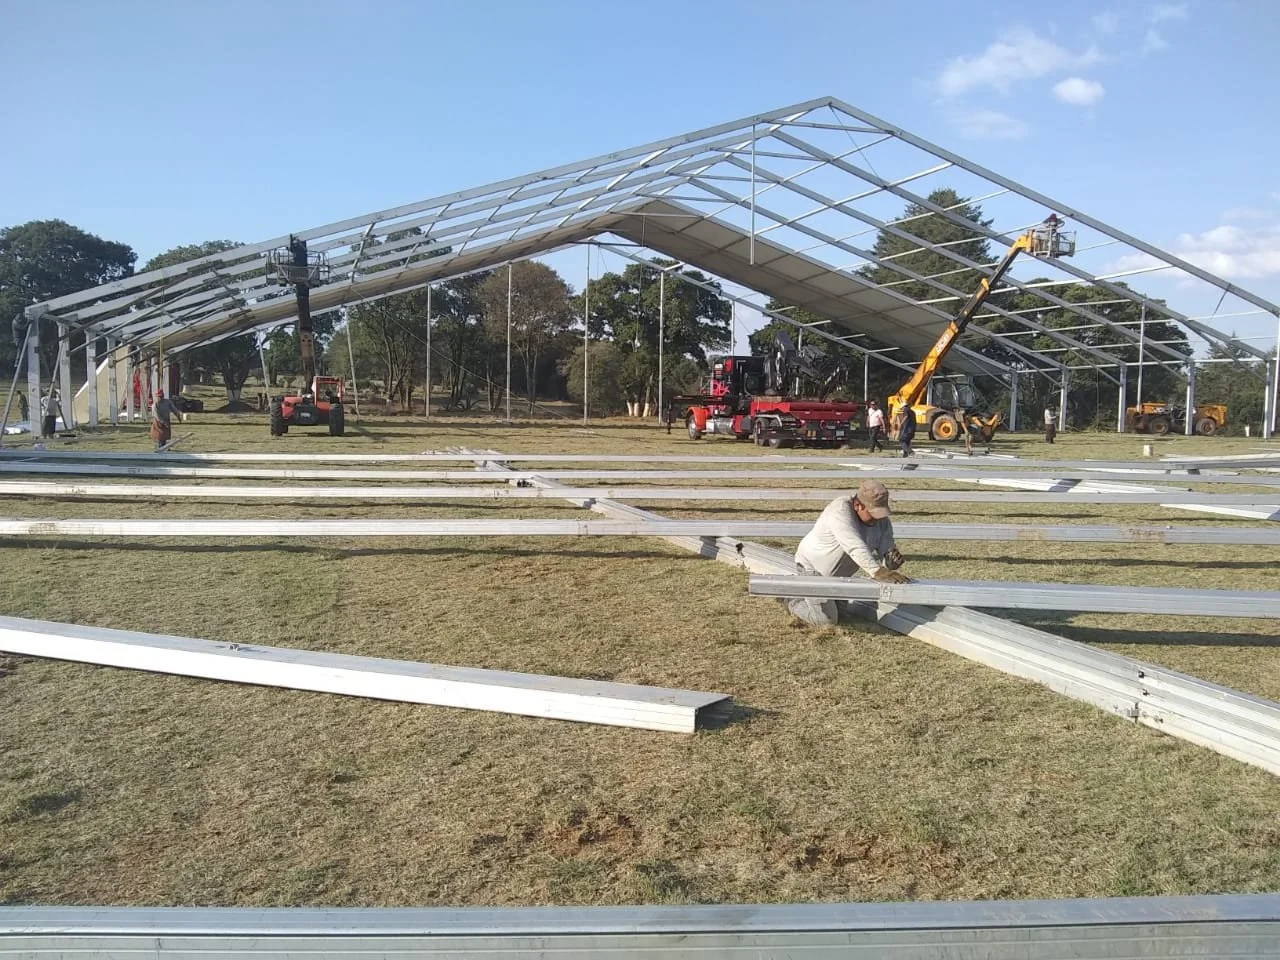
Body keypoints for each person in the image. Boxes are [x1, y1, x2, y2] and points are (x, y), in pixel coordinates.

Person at [783, 479, 910, 627]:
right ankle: (790, 599)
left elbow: (886, 549)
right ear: (858, 505)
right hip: (812, 569)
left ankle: (809, 594)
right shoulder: (840, 511)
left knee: (842, 616)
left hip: (839, 576)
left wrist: (891, 562)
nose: (878, 518)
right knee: (827, 621)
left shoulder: (881, 521)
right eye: (873, 513)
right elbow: (854, 546)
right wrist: (877, 571)